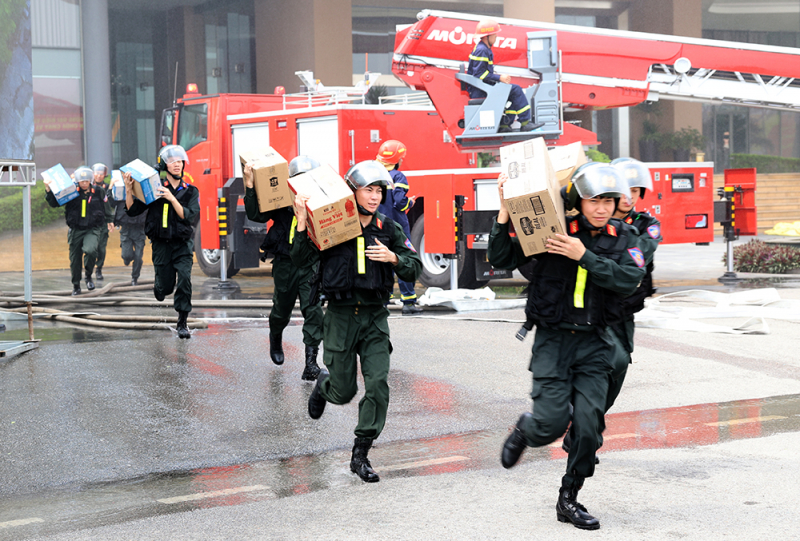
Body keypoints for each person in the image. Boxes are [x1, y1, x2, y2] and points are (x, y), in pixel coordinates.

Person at [489, 162, 645, 530]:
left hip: (595, 344)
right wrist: (504, 214)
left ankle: (569, 497)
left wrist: (583, 256)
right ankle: (527, 429)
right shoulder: (553, 231)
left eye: (608, 201)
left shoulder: (625, 237)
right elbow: (501, 258)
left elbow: (630, 278)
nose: (602, 208)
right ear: (578, 201)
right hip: (553, 342)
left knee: (588, 429)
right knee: (551, 424)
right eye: (594, 201)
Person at [292, 160, 422, 483]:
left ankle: (360, 453)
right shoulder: (334, 226)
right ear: (353, 192)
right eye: (368, 190)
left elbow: (414, 264)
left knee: (378, 385)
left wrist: (394, 258)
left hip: (375, 318)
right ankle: (324, 387)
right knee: (343, 391)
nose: (375, 197)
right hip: (340, 317)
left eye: (379, 191)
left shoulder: (389, 229)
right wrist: (301, 222)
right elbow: (301, 261)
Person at [561, 158, 662, 460]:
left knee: (616, 375)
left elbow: (640, 256)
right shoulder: (584, 223)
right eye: (624, 189)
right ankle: (582, 431)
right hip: (587, 314)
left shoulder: (644, 226)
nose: (629, 196)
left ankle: (581, 431)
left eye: (635, 190)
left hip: (622, 312)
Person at [243, 155, 323, 381]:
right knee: (281, 309)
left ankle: (311, 363)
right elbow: (256, 215)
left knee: (313, 311)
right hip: (286, 263)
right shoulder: (279, 198)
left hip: (311, 263)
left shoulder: (321, 200)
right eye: (299, 178)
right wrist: (250, 185)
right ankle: (275, 335)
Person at [123, 145, 199, 339]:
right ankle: (159, 287)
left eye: (179, 161)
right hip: (161, 245)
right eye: (172, 162)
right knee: (166, 287)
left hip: (182, 244)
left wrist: (172, 198)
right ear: (165, 165)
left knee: (184, 279)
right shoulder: (153, 189)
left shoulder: (191, 191)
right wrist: (129, 190)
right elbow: (132, 211)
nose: (177, 164)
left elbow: (188, 216)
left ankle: (182, 322)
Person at [44, 166, 114, 296]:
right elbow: (55, 203)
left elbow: (106, 206)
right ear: (77, 181)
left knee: (91, 250)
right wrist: (48, 189)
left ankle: (88, 276)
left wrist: (110, 220)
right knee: (75, 259)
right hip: (76, 229)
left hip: (92, 228)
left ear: (90, 180)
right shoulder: (70, 191)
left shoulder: (98, 191)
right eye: (82, 181)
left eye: (87, 181)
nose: (84, 184)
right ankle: (76, 285)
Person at [376, 140, 422, 315]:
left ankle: (383, 302)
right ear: (397, 160)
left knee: (383, 263)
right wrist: (410, 202)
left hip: (379, 227)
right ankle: (408, 303)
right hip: (397, 228)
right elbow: (399, 202)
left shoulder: (375, 176)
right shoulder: (398, 177)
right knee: (404, 261)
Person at [467, 18, 535, 133]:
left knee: (512, 94)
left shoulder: (483, 48)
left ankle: (505, 125)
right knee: (516, 90)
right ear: (487, 36)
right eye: (494, 35)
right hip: (481, 90)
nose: (496, 37)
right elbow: (479, 74)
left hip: (482, 88)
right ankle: (525, 122)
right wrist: (499, 78)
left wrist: (498, 79)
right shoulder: (482, 50)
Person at [109, 175, 147, 286]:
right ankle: (128, 257)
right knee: (126, 256)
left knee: (138, 257)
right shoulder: (122, 194)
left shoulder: (143, 195)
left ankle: (134, 278)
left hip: (140, 229)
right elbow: (110, 202)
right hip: (126, 229)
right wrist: (111, 186)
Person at [91, 163, 111, 280]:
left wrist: (110, 221)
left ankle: (99, 268)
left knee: (101, 248)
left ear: (104, 175)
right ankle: (89, 268)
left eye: (101, 174)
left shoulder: (107, 187)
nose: (98, 176)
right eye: (96, 173)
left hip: (103, 222)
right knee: (91, 248)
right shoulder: (88, 187)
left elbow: (110, 204)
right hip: (90, 223)